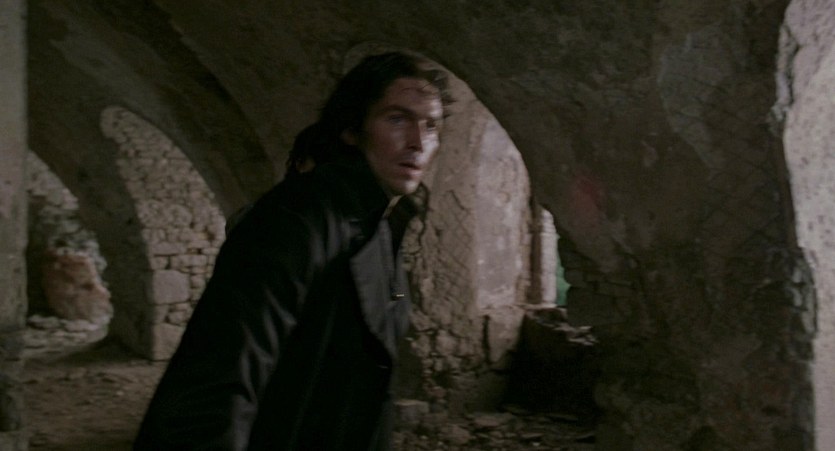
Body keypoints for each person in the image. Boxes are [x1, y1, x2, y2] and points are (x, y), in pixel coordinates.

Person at [134, 51, 452, 450]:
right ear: (352, 129)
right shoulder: (295, 221)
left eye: (431, 125)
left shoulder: (382, 224)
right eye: (397, 119)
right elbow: (217, 381)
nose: (418, 142)